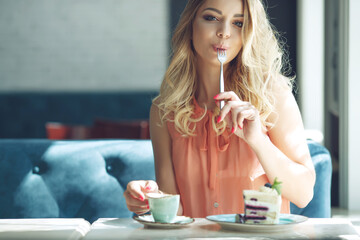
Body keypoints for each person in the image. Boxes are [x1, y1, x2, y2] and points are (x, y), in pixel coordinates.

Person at [124, 0, 316, 218]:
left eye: (238, 23)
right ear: (190, 25)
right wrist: (149, 197)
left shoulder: (272, 94)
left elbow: (303, 193)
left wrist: (258, 141)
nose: (224, 32)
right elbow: (174, 212)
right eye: (211, 18)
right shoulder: (164, 111)